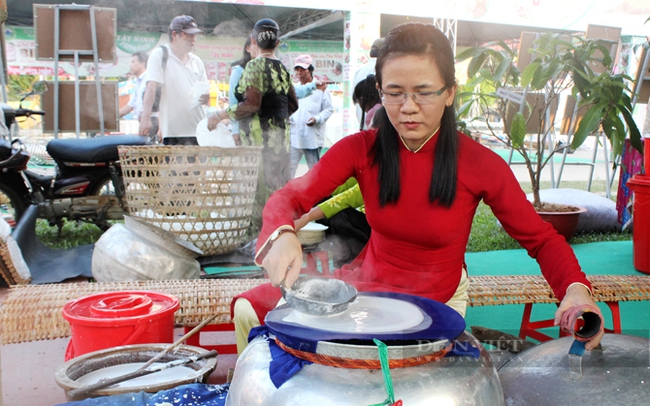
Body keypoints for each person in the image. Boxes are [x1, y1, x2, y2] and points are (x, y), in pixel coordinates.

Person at [231, 22, 604, 355]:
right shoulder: (362, 148)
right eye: (394, 93)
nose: (408, 108)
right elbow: (290, 196)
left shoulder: (481, 164)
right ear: (379, 91)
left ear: (450, 92)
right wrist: (281, 232)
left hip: (435, 303)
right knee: (251, 305)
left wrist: (575, 288)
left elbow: (541, 239)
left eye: (424, 92)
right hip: (367, 289)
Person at [208, 18, 298, 192]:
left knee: (259, 190)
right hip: (281, 139)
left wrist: (220, 115)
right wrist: (277, 120)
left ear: (254, 41)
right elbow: (293, 104)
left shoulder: (254, 66)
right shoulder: (283, 69)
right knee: (279, 188)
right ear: (277, 43)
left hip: (260, 142)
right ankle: (280, 220)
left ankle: (262, 220)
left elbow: (251, 105)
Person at [139, 15, 209, 145]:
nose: (193, 40)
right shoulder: (160, 55)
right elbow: (151, 87)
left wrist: (206, 97)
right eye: (188, 35)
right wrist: (145, 118)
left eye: (194, 35)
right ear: (175, 35)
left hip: (199, 131)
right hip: (174, 133)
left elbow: (204, 92)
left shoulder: (197, 61)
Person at [289, 54, 334, 178]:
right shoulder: (294, 88)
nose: (299, 72)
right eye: (297, 69)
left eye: (302, 69)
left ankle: (318, 197)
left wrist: (317, 119)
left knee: (315, 172)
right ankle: (286, 195)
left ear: (310, 70)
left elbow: (328, 109)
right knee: (288, 170)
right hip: (295, 136)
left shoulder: (321, 87)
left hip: (312, 137)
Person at [352, 38, 384, 129]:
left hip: (363, 124)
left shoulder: (359, 70)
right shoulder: (386, 69)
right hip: (379, 126)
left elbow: (354, 99)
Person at [228, 37, 256, 140]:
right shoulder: (238, 71)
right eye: (255, 45)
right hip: (246, 126)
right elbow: (233, 102)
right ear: (247, 48)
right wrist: (235, 130)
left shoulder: (268, 69)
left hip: (265, 127)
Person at [119, 52, 148, 123]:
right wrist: (111, 116)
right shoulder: (138, 82)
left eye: (133, 62)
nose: (130, 65)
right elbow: (130, 106)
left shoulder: (149, 80)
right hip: (142, 122)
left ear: (142, 64)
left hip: (151, 122)